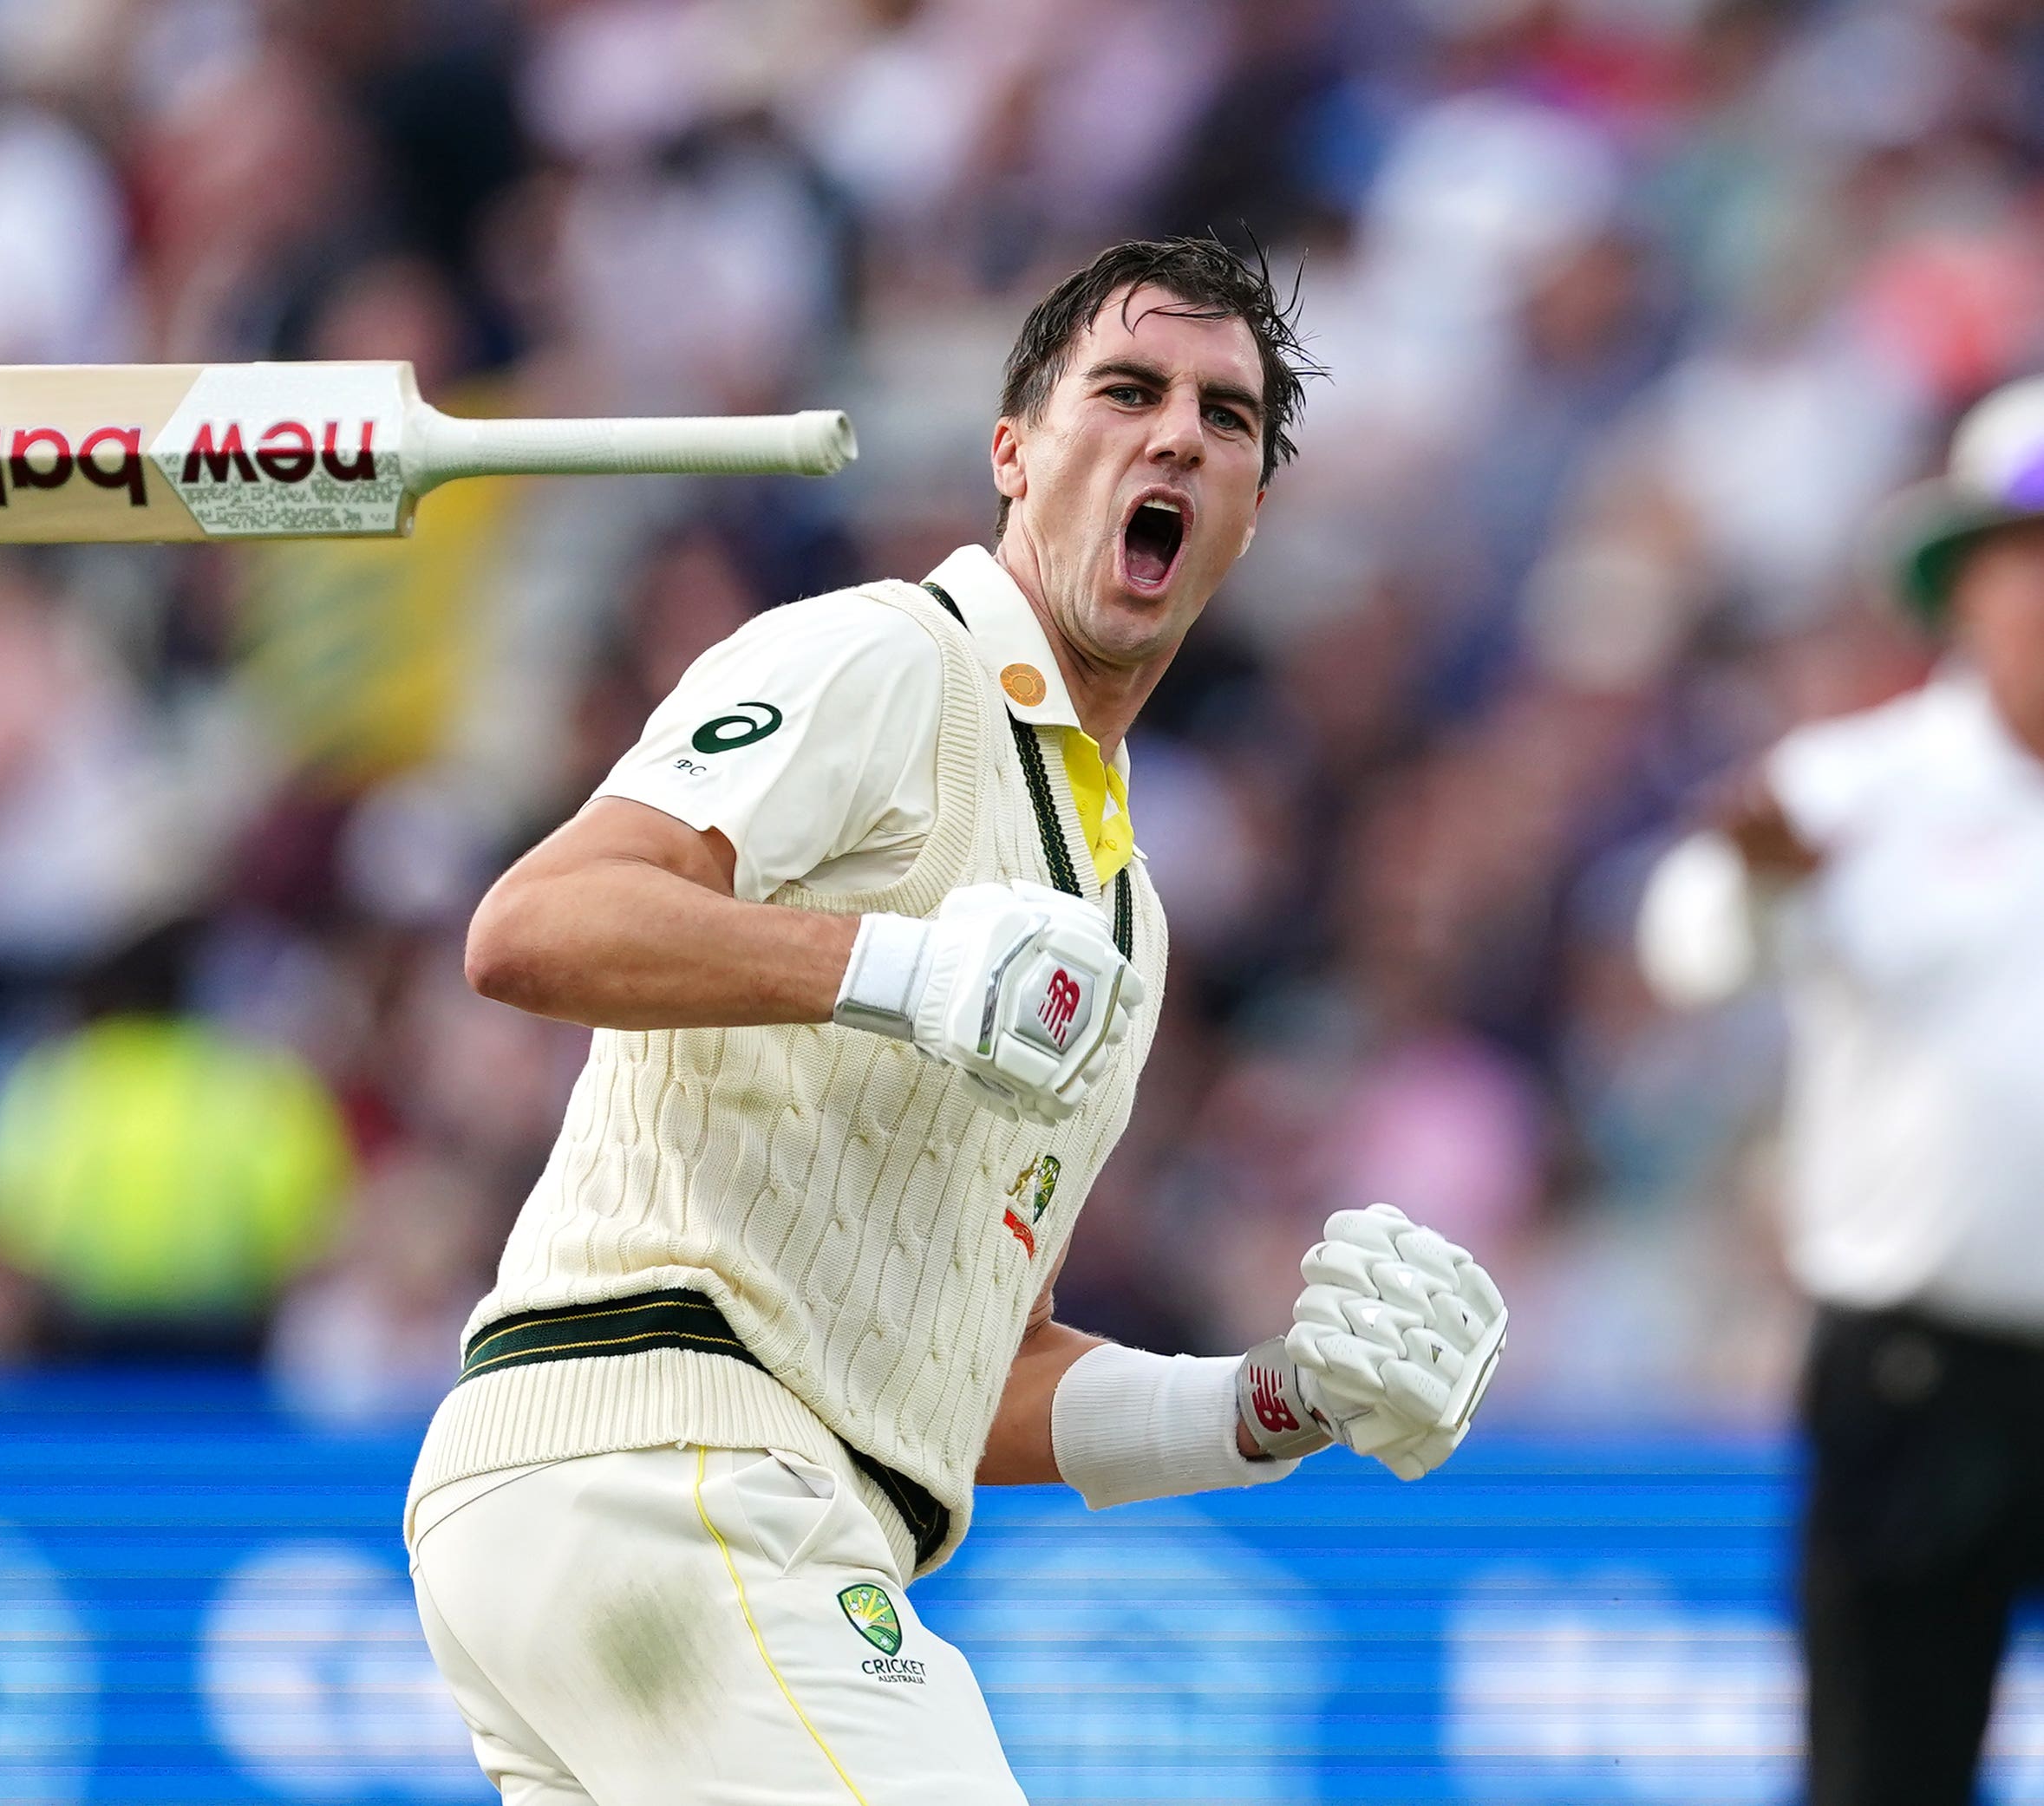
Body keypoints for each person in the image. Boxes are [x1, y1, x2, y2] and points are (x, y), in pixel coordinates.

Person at [406, 238, 1511, 1805]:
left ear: (1250, 516)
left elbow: (959, 1374)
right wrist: (899, 971)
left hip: (665, 1511)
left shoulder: (1126, 912)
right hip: (670, 1466)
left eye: (1226, 418)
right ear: (1012, 449)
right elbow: (534, 926)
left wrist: (1269, 1405)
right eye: (1123, 391)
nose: (1176, 435)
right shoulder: (882, 659)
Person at [1640, 373, 2044, 1806]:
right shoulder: (1859, 785)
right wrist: (1757, 879)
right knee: (1887, 1770)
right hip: (1915, 1371)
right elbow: (1687, 945)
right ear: (1967, 591)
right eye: (2030, 568)